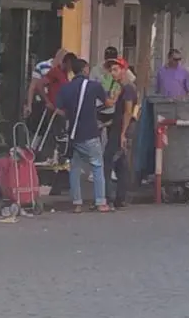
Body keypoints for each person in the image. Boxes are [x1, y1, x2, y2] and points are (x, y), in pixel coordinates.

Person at [55, 58, 110, 213]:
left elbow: (58, 109)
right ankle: (100, 202)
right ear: (85, 69)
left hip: (73, 134)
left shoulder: (65, 88)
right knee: (97, 166)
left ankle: (77, 203)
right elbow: (107, 103)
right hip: (90, 132)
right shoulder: (94, 86)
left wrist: (69, 116)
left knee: (75, 168)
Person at [103, 58, 137, 209]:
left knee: (109, 160)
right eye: (111, 70)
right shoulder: (120, 87)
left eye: (116, 69)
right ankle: (121, 197)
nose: (113, 73)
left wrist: (123, 133)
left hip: (121, 130)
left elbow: (128, 112)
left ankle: (109, 196)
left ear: (124, 70)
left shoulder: (128, 88)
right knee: (121, 163)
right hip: (117, 127)